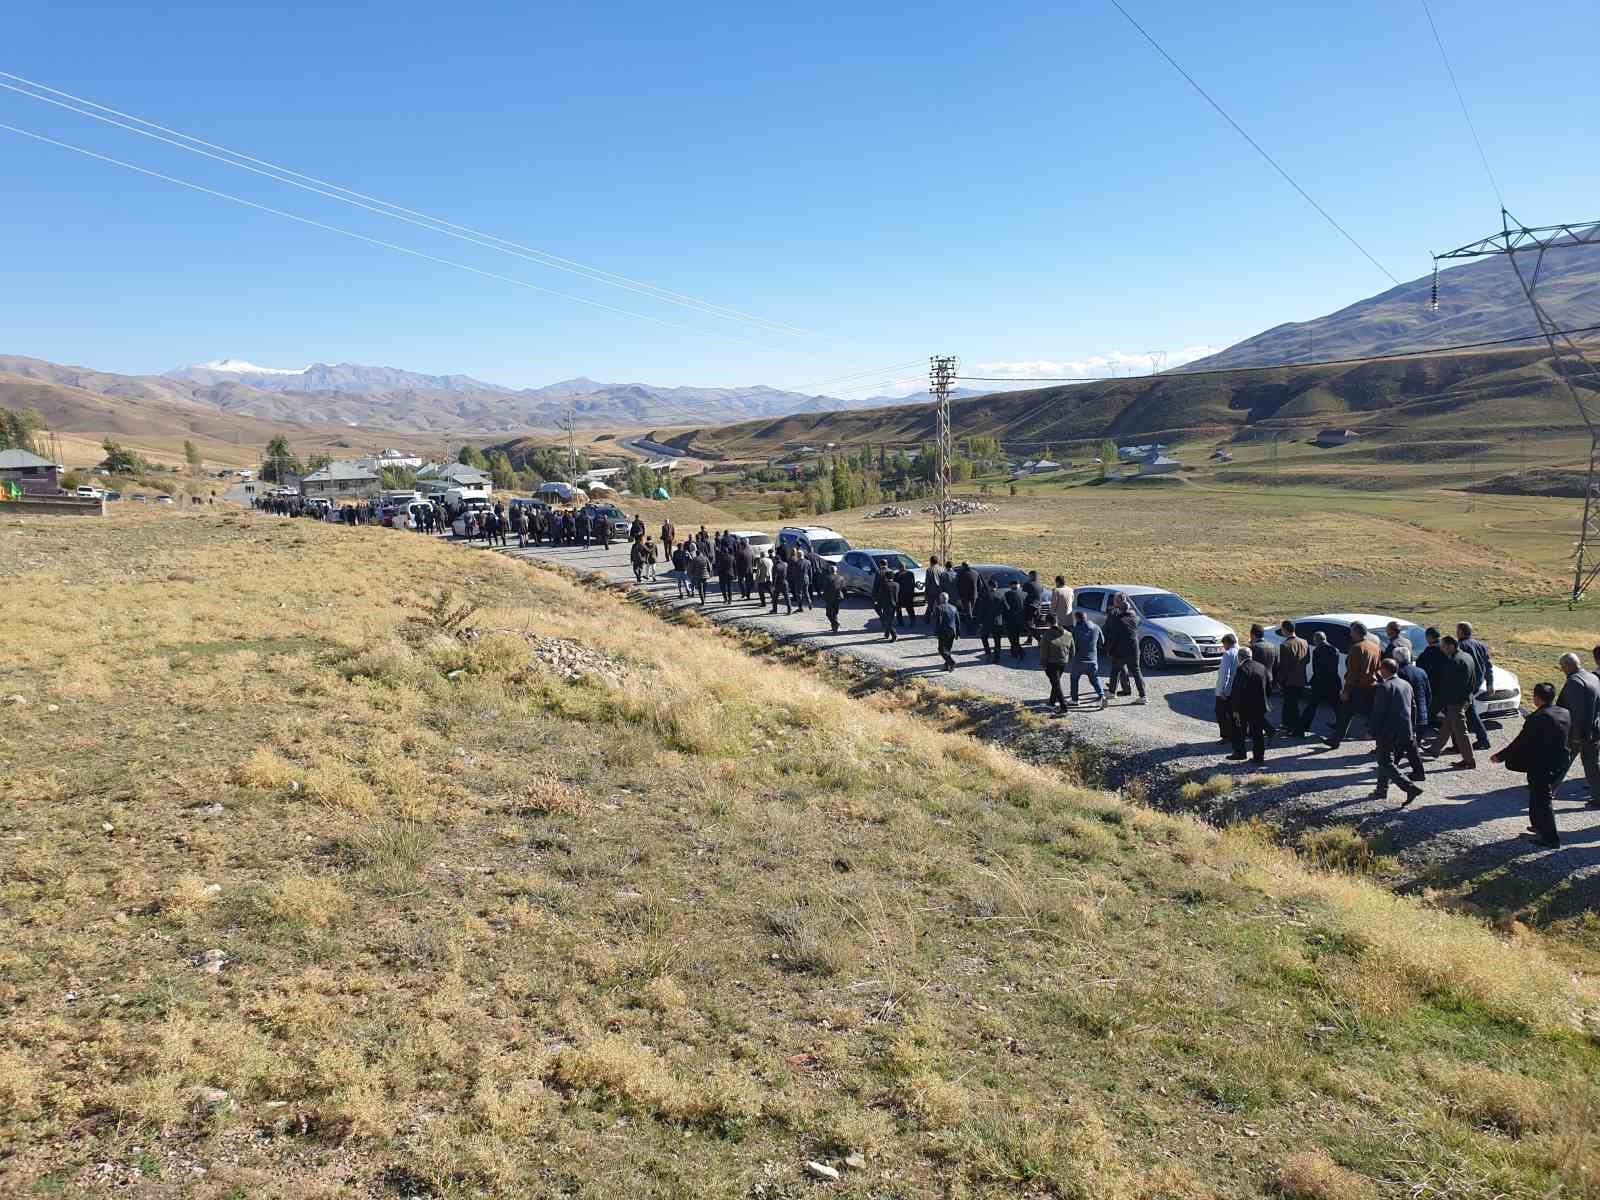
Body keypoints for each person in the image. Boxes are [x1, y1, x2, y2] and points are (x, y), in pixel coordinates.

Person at [1491, 681, 1569, 849]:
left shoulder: (1537, 718)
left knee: (1542, 799)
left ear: (1538, 698)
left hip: (1541, 764)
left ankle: (1551, 839)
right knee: (1536, 793)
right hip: (1560, 762)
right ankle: (1538, 825)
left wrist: (1500, 756)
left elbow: (1520, 742)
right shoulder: (1564, 713)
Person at [1370, 658, 1425, 803]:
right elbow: (1413, 708)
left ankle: (1409, 788)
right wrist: (1412, 728)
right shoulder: (1406, 684)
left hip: (1387, 731)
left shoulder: (1384, 687)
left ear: (1384, 670)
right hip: (1404, 730)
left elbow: (1378, 711)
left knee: (1385, 761)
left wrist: (1372, 730)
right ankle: (1381, 790)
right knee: (1387, 760)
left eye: (1381, 669)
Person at [1425, 634, 1478, 769]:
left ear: (1451, 646)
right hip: (1465, 698)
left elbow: (1447, 687)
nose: (1442, 649)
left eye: (1443, 646)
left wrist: (1435, 707)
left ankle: (1469, 761)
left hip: (1456, 702)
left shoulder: (1453, 662)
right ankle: (1434, 749)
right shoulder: (1467, 656)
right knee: (1448, 725)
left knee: (1460, 732)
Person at [1325, 622, 1380, 750]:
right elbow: (1377, 667)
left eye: (1351, 632)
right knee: (1348, 714)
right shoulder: (1375, 647)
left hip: (1357, 687)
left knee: (1359, 714)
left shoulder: (1356, 648)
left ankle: (1383, 744)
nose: (1350, 634)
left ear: (1356, 633)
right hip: (1371, 686)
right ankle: (1336, 739)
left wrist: (1346, 691)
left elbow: (1353, 672)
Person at [1556, 651, 1600, 804]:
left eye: (1562, 667)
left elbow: (1577, 712)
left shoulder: (1574, 682)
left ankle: (1548, 790)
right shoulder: (1592, 676)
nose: (1561, 670)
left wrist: (1575, 736)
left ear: (1568, 666)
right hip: (1594, 730)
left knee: (1562, 759)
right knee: (1592, 765)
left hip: (1578, 732)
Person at [1456, 622, 1495, 752]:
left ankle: (1483, 740)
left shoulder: (1461, 646)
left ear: (1461, 631)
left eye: (1457, 630)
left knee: (1468, 712)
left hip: (1466, 684)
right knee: (1466, 712)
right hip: (1477, 683)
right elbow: (1488, 665)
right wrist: (1490, 683)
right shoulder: (1480, 645)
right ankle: (1462, 741)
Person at [1231, 643, 1272, 764]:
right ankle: (1259, 757)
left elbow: (1237, 691)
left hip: (1245, 707)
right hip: (1259, 705)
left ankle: (1240, 753)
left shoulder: (1242, 669)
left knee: (1240, 731)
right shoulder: (1261, 667)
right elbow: (1269, 686)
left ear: (1240, 657)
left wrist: (1235, 709)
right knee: (1257, 733)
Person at [1103, 593, 1147, 704]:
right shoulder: (1134, 617)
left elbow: (1109, 632)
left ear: (1118, 603)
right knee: (1136, 672)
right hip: (1133, 648)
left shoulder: (1115, 618)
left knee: (1115, 669)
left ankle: (1112, 692)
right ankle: (1143, 696)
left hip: (1119, 650)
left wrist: (1107, 648)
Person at [1392, 644, 1432, 752]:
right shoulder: (1421, 671)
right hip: (1422, 713)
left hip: (1407, 714)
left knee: (1405, 742)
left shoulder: (1399, 673)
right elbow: (1428, 693)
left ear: (1396, 659)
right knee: (1414, 741)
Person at [1275, 620, 1309, 736]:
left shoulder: (1285, 645)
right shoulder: (1304, 642)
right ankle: (1288, 726)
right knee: (1292, 704)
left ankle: (1298, 730)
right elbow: (1307, 660)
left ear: (1285, 630)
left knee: (1292, 706)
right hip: (1301, 678)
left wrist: (1280, 680)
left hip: (1289, 680)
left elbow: (1284, 666)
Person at [1067, 611, 1107, 709]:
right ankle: (1102, 696)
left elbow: (1072, 645)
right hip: (1092, 660)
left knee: (1074, 679)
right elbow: (1102, 642)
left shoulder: (1076, 630)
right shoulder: (1096, 627)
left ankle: (1075, 700)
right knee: (1094, 679)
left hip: (1079, 660)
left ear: (1077, 618)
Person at [1031, 611, 1070, 711]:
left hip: (1051, 664)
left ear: (1048, 623)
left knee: (1056, 685)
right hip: (1063, 662)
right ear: (1057, 620)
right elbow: (1072, 649)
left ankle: (1063, 707)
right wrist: (1067, 659)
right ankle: (1051, 702)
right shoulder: (1068, 634)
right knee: (1055, 683)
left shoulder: (1047, 635)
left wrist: (1043, 665)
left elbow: (1044, 653)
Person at [1214, 632, 1243, 747]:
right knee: (1233, 714)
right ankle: (1235, 735)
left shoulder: (1228, 654)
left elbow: (1225, 674)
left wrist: (1222, 691)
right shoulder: (1241, 652)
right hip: (1237, 690)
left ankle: (1226, 736)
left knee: (1221, 713)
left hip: (1226, 691)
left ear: (1226, 643)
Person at [1417, 626, 1450, 728]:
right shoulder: (1446, 648)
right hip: (1446, 684)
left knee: (1431, 711)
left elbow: (1420, 664)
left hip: (1434, 685)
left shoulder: (1430, 650)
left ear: (1429, 637)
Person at [931, 589, 960, 671]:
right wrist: (958, 632)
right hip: (952, 631)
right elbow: (957, 621)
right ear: (948, 599)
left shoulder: (939, 608)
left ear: (940, 599)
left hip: (943, 632)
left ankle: (951, 662)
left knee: (941, 649)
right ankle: (946, 666)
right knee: (948, 649)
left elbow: (938, 621)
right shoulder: (954, 607)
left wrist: (936, 632)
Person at [976, 578, 1004, 661]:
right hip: (998, 621)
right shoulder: (1001, 595)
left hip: (987, 621)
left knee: (984, 637)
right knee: (997, 641)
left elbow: (981, 609)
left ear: (989, 586)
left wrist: (979, 621)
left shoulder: (986, 595)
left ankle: (988, 652)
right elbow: (1006, 608)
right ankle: (997, 657)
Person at [1248, 625, 1278, 695]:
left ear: (1252, 635)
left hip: (1256, 681)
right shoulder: (1273, 646)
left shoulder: (1254, 647)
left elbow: (1249, 666)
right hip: (1269, 680)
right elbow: (1276, 665)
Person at [873, 562, 899, 640]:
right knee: (890, 619)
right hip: (894, 604)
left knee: (887, 621)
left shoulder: (884, 585)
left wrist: (876, 599)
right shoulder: (897, 585)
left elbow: (880, 593)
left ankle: (894, 634)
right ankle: (887, 633)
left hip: (886, 604)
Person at [1001, 580, 1027, 661]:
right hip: (1021, 619)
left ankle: (1020, 651)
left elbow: (1005, 607)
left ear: (1011, 586)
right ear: (1018, 585)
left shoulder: (1008, 594)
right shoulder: (1024, 594)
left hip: (1011, 619)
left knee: (1012, 637)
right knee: (1016, 637)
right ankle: (1014, 653)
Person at [956, 562, 979, 632]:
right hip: (974, 596)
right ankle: (973, 627)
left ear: (963, 566)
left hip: (965, 597)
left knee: (968, 613)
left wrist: (960, 595)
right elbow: (979, 585)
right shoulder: (976, 573)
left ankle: (971, 630)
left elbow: (958, 585)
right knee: (971, 612)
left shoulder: (962, 574)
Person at [894, 562, 918, 628]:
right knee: (909, 608)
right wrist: (912, 593)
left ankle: (901, 622)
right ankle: (912, 621)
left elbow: (895, 585)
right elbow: (913, 584)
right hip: (907, 594)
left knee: (900, 608)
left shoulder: (897, 574)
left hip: (901, 594)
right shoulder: (910, 573)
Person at [822, 563, 843, 633]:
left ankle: (835, 624)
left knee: (828, 613)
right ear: (836, 571)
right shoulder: (841, 578)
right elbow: (843, 587)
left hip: (830, 598)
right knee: (835, 613)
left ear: (830, 571)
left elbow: (825, 588)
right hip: (838, 597)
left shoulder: (827, 578)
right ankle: (834, 627)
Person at [923, 557, 942, 624]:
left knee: (930, 606)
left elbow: (927, 582)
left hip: (932, 591)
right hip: (940, 591)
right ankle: (940, 619)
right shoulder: (941, 569)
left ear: (931, 562)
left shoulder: (929, 570)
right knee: (940, 605)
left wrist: (926, 592)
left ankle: (927, 619)